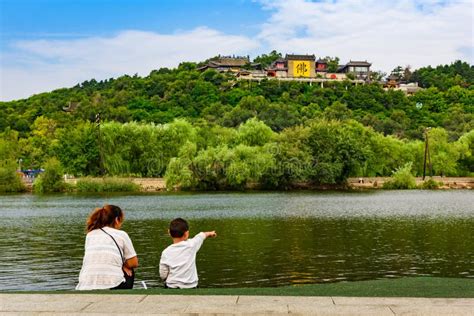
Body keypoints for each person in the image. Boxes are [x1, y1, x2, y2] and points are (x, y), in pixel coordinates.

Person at [76, 204, 138, 290]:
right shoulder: (121, 234)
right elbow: (134, 263)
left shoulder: (90, 235)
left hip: (85, 285)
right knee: (130, 270)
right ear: (117, 220)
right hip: (113, 285)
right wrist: (123, 265)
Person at [159, 218, 216, 289]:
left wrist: (166, 279)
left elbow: (163, 275)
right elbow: (201, 235)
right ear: (187, 234)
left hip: (172, 286)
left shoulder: (166, 252)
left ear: (169, 232)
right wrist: (210, 233)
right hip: (191, 286)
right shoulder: (192, 245)